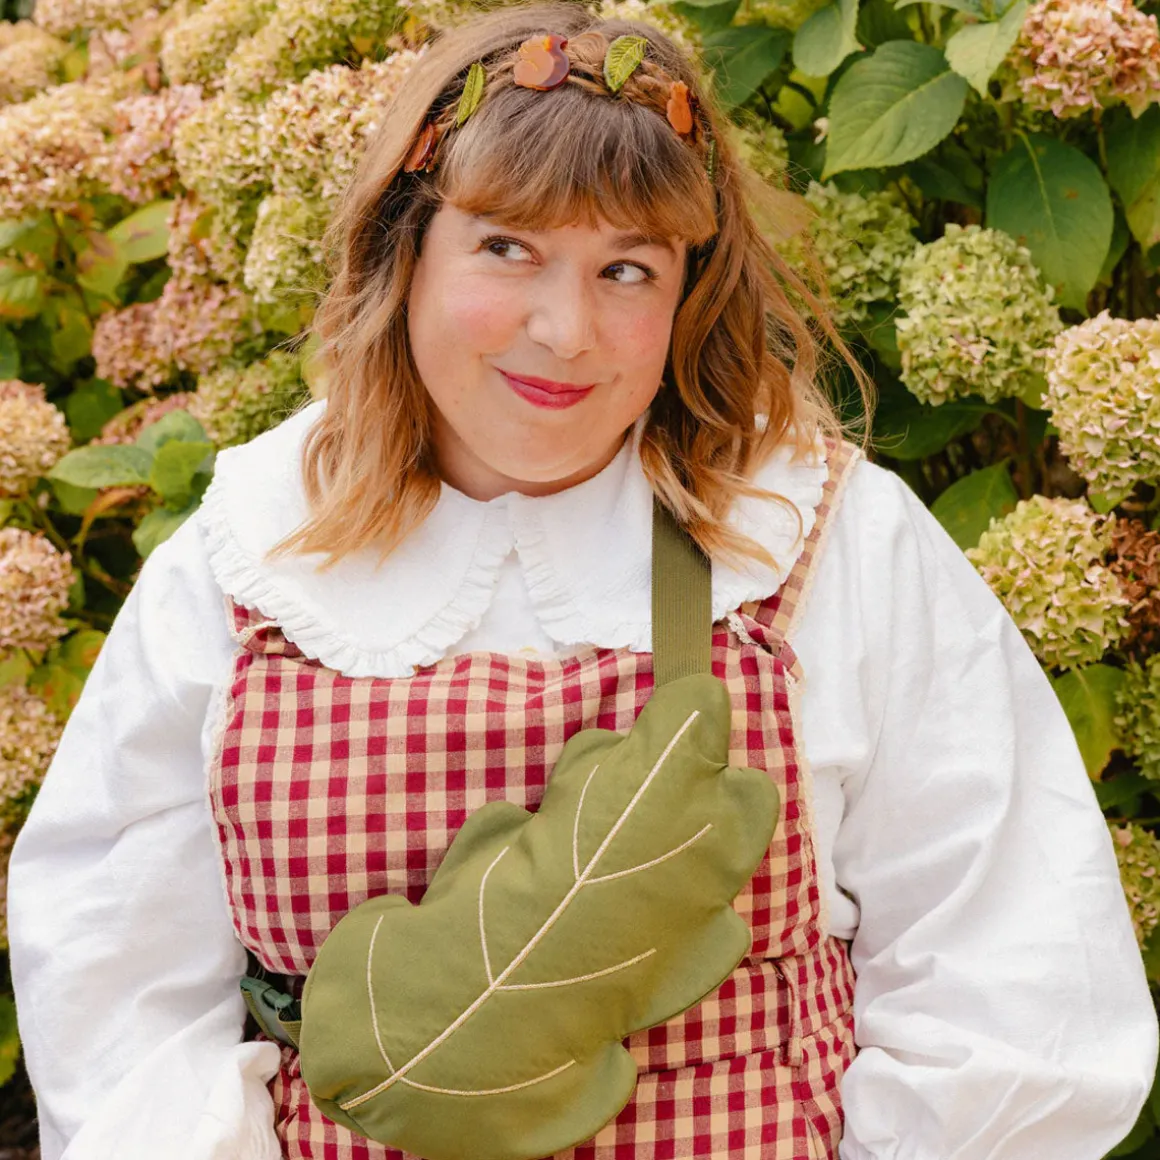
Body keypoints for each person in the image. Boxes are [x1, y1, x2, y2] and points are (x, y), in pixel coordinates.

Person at [8, 3, 1157, 1157]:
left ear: (686, 292)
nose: (564, 330)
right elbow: (118, 980)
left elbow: (1008, 964)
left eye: (625, 268)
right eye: (507, 248)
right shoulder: (254, 558)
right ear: (405, 248)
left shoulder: (813, 540)